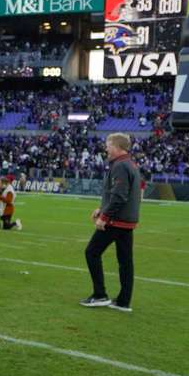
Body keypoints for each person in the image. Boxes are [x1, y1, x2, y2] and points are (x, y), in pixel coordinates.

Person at [80, 133, 141, 312]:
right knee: (125, 261)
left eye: (108, 145)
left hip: (116, 221)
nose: (105, 148)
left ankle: (100, 295)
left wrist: (104, 217)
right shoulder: (129, 163)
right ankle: (123, 301)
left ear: (116, 146)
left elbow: (119, 195)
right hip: (127, 221)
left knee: (92, 252)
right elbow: (123, 194)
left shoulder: (120, 165)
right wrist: (102, 209)